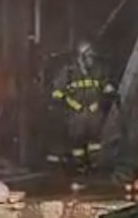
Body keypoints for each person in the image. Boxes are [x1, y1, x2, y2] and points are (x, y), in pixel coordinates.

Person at [47, 40, 117, 173]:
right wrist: (74, 105)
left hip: (94, 112)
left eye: (92, 57)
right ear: (81, 57)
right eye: (89, 56)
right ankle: (78, 166)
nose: (91, 60)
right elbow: (57, 93)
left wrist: (102, 100)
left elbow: (106, 89)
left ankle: (94, 166)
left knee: (94, 142)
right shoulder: (68, 72)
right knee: (77, 142)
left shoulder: (98, 71)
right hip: (75, 114)